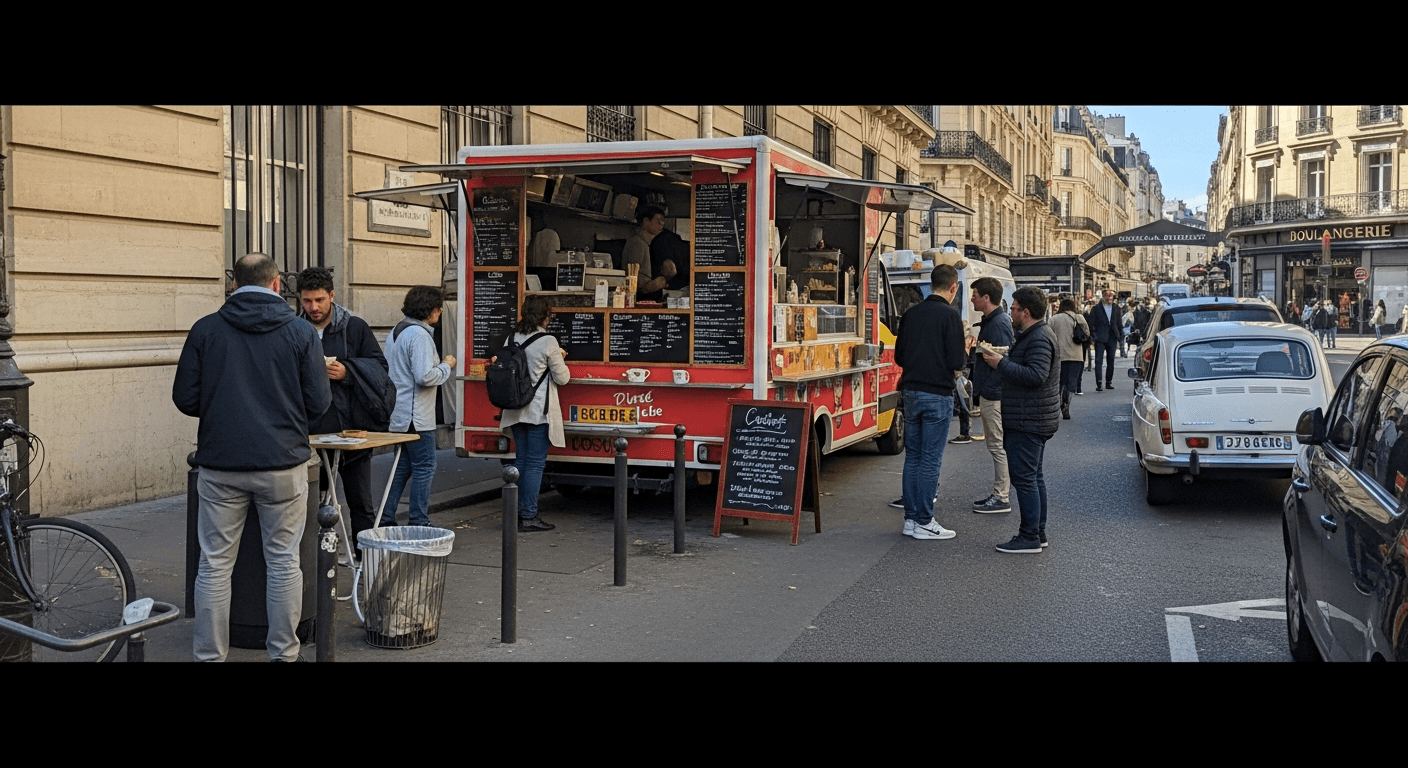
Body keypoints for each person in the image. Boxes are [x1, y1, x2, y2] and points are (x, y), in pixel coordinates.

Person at [172, 253, 331, 662]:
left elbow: (185, 398)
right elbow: (319, 402)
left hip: (221, 463)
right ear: (277, 284)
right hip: (282, 463)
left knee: (214, 566)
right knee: (283, 563)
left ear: (233, 283)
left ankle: (209, 655)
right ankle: (284, 653)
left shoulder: (206, 330)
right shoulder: (300, 333)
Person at [297, 266, 389, 551]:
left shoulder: (354, 327)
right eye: (307, 301)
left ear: (332, 296)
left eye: (320, 300)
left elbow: (380, 369)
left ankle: (365, 560)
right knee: (312, 500)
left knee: (360, 501)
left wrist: (347, 372)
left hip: (351, 429)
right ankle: (316, 561)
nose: (313, 307)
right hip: (309, 430)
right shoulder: (294, 328)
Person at [980, 287, 1061, 554]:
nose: (1010, 311)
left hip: (1030, 419)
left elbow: (1036, 375)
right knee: (1033, 477)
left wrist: (1000, 363)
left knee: (1025, 479)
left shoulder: (1039, 337)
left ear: (1025, 312)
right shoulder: (1034, 334)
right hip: (1032, 417)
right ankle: (1038, 532)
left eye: (1013, 308)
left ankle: (1029, 537)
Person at [893, 262, 967, 540]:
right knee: (930, 460)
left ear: (929, 284)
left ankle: (911, 518)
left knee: (912, 456)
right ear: (953, 287)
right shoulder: (950, 317)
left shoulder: (911, 314)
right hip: (938, 393)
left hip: (911, 391)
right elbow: (957, 360)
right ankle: (924, 519)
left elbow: (899, 356)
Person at [381, 286, 456, 528]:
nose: (441, 311)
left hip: (398, 412)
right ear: (430, 309)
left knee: (400, 468)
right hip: (416, 415)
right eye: (438, 307)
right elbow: (425, 376)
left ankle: (385, 517)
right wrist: (447, 366)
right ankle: (419, 520)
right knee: (425, 466)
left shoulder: (396, 331)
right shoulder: (420, 335)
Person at [499, 295, 571, 531]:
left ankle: (515, 515)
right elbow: (563, 377)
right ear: (544, 316)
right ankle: (528, 515)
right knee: (535, 464)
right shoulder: (548, 341)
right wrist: (560, 356)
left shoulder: (512, 337)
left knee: (520, 460)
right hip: (538, 411)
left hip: (514, 408)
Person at [968, 276, 1015, 514]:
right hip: (991, 392)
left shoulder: (998, 324)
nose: (972, 298)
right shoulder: (993, 321)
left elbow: (1003, 361)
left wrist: (986, 389)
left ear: (986, 297)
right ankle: (999, 493)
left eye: (974, 294)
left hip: (993, 394)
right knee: (995, 444)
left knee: (997, 445)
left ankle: (1001, 496)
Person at [1046, 298, 1089, 421]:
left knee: (1059, 382)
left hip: (1059, 356)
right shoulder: (1079, 317)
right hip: (1076, 356)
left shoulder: (1054, 319)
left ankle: (1058, 404)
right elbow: (1087, 333)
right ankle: (1067, 404)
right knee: (1071, 382)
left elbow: (1048, 336)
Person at [1086, 289, 1124, 391]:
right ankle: (1099, 383)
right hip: (1100, 338)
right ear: (1103, 297)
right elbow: (1091, 323)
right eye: (1107, 296)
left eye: (1111, 296)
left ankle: (1108, 382)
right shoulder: (1096, 308)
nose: (1109, 298)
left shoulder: (1116, 308)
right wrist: (1093, 336)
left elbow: (1119, 323)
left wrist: (1120, 336)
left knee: (1110, 361)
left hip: (1112, 337)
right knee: (1098, 361)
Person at [624, 206, 666, 297]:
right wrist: (649, 286)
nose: (661, 224)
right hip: (639, 296)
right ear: (646, 221)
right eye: (658, 221)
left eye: (662, 222)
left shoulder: (651, 244)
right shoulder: (637, 243)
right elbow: (632, 277)